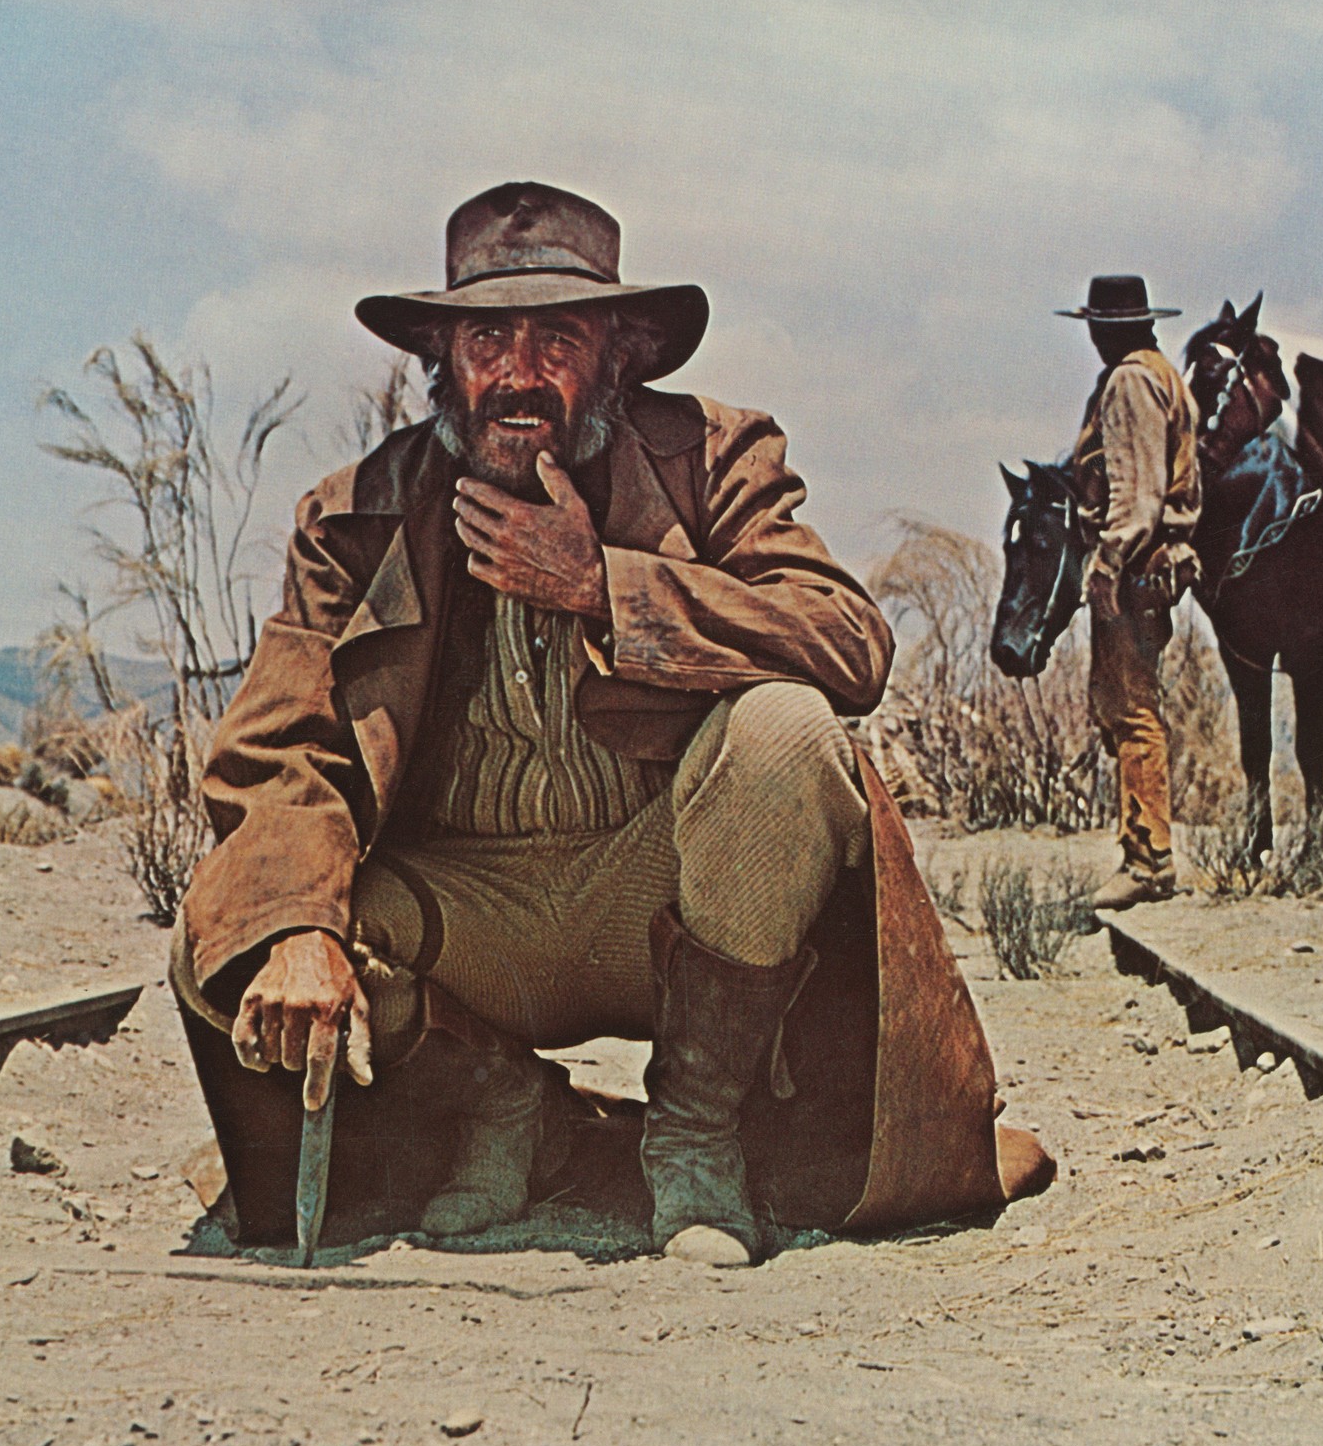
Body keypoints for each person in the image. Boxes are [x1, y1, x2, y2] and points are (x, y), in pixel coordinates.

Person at [169, 182, 1050, 1268]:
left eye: (558, 338)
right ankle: (506, 1106)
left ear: (619, 355)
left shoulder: (713, 458)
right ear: (441, 360)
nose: (519, 372)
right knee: (232, 930)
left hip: (663, 896)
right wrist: (301, 929)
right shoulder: (355, 513)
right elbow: (275, 750)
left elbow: (846, 641)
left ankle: (695, 1136)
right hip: (464, 920)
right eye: (486, 339)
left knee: (785, 730)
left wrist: (606, 587)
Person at [1057, 276, 1203, 911]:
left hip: (1135, 565)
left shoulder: (1129, 382)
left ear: (1105, 328)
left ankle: (1148, 860)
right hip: (1152, 562)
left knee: (1130, 705)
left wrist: (1108, 562)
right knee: (1126, 701)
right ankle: (1142, 849)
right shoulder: (1162, 375)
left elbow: (1139, 496)